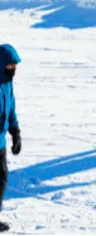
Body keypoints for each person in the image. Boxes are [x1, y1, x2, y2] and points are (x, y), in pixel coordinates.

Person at [0, 44, 22, 234]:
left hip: (0, 143)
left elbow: (11, 106)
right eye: (10, 65)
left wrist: (15, 131)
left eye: (15, 66)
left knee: (1, 178)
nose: (13, 69)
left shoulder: (7, 82)